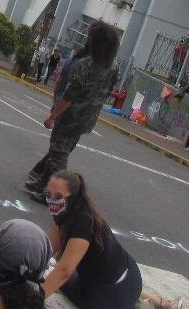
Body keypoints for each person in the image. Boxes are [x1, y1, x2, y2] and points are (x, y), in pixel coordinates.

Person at [42, 171, 182, 309]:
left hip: (110, 297)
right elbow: (47, 250)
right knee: (65, 272)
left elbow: (64, 271)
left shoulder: (82, 222)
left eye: (58, 197)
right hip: (130, 278)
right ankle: (162, 304)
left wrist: (33, 301)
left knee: (61, 280)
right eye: (48, 195)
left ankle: (133, 303)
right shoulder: (77, 212)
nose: (51, 200)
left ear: (73, 197)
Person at [23, 22, 119, 202]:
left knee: (59, 155)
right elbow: (107, 92)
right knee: (59, 151)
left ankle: (58, 195)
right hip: (87, 119)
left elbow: (70, 95)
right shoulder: (112, 67)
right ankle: (40, 182)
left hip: (70, 117)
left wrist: (53, 116)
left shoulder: (85, 65)